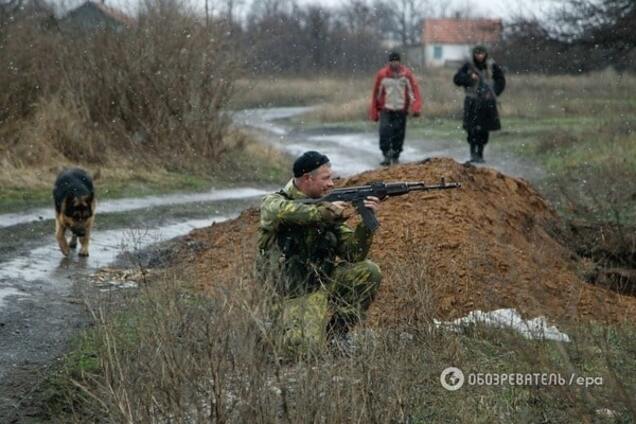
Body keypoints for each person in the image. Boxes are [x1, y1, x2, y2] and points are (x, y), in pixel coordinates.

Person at [258, 151, 382, 353]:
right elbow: (285, 212)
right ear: (307, 178)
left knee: (368, 271)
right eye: (326, 178)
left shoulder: (326, 206)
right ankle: (273, 329)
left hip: (320, 284)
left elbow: (353, 254)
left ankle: (337, 336)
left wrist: (366, 225)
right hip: (289, 295)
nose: (332, 184)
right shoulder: (274, 202)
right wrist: (327, 212)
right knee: (301, 350)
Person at [453, 45, 506, 163]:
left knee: (484, 130)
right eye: (477, 54)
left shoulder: (492, 66)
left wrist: (494, 93)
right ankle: (473, 153)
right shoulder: (468, 66)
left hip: (487, 103)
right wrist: (469, 78)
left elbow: (501, 81)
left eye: (481, 53)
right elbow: (457, 79)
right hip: (472, 101)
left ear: (485, 54)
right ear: (474, 54)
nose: (479, 56)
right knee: (471, 130)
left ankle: (480, 153)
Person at [369, 51, 422, 166]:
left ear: (399, 62)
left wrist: (416, 107)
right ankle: (386, 155)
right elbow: (376, 93)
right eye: (392, 61)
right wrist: (374, 111)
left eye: (396, 61)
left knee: (399, 134)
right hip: (386, 109)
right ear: (389, 62)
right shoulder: (382, 75)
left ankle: (396, 155)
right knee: (384, 132)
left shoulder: (406, 75)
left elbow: (413, 91)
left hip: (401, 110)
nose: (394, 63)